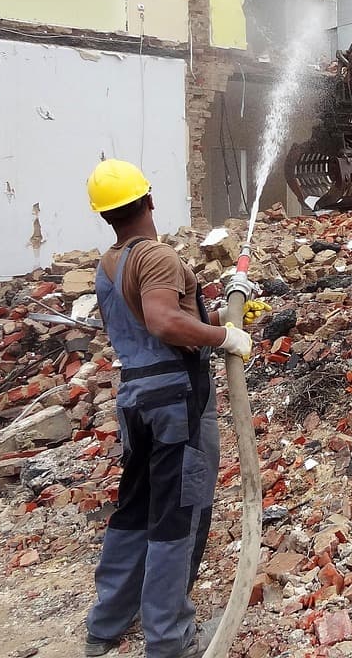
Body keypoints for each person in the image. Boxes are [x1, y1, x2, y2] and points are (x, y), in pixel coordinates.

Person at [82, 159, 266, 658]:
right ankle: (169, 639)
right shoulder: (158, 257)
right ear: (149, 200)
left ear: (107, 216)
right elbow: (164, 322)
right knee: (177, 516)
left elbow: (147, 321)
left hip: (136, 399)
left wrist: (215, 312)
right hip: (175, 402)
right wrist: (223, 335)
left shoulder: (109, 264)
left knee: (135, 510)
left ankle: (106, 625)